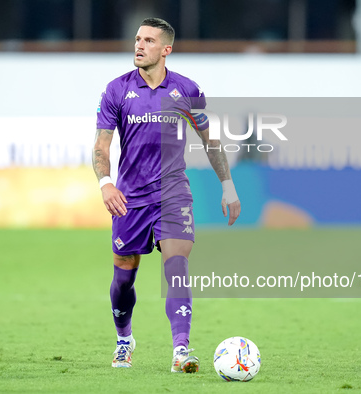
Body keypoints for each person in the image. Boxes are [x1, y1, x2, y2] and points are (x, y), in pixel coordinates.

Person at [92, 17, 241, 373]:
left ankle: (180, 350)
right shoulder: (116, 90)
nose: (138, 45)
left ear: (165, 49)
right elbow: (101, 146)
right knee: (124, 275)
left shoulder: (186, 90)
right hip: (129, 198)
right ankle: (124, 339)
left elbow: (211, 141)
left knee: (177, 267)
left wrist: (228, 185)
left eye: (147, 41)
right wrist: (105, 183)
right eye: (137, 39)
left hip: (173, 194)